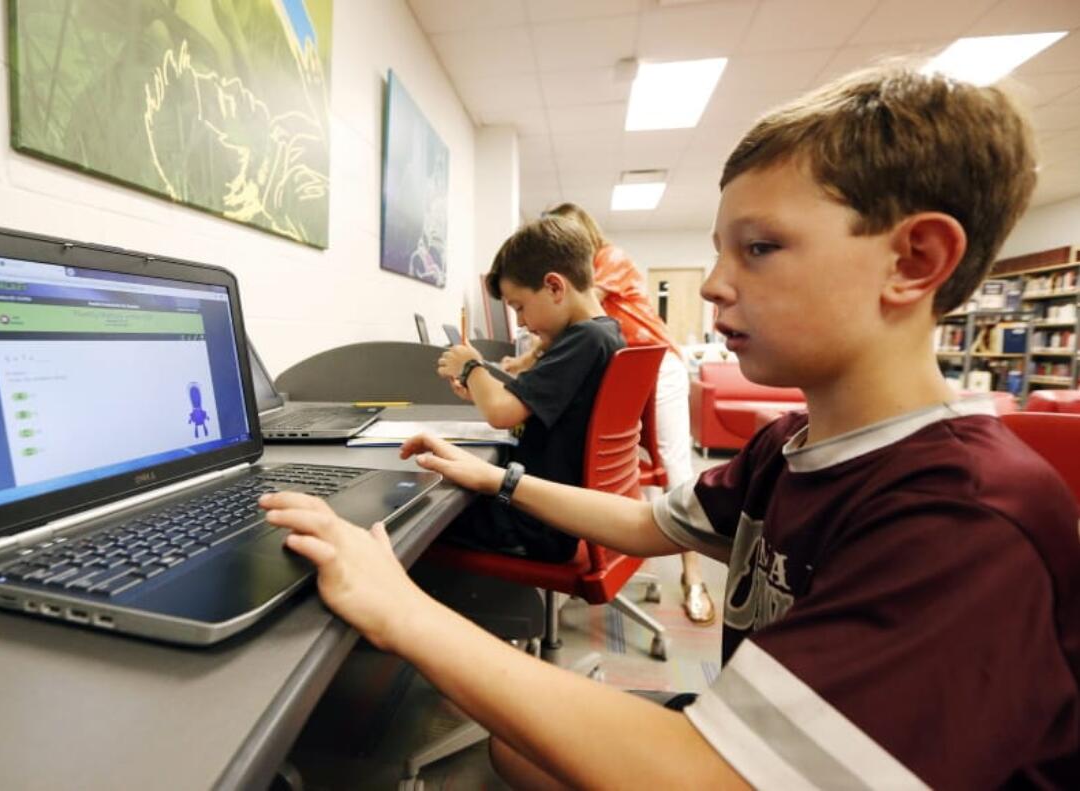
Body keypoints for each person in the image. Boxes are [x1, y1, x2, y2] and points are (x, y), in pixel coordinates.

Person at [261, 64, 1080, 788]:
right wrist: (495, 476)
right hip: (771, 722)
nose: (717, 285)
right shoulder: (789, 446)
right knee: (519, 755)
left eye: (759, 248)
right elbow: (648, 522)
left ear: (915, 261)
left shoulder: (965, 516)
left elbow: (710, 777)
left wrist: (403, 612)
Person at [544, 201, 717, 625]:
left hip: (656, 368)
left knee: (674, 463)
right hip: (617, 372)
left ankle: (694, 576)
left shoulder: (610, 260)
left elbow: (577, 306)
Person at [434, 215, 624, 562]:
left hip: (533, 523)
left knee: (420, 513)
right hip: (551, 514)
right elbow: (531, 406)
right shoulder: (606, 333)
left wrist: (472, 366)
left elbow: (502, 414)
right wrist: (478, 388)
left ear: (554, 287)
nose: (520, 321)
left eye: (520, 307)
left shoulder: (584, 338)